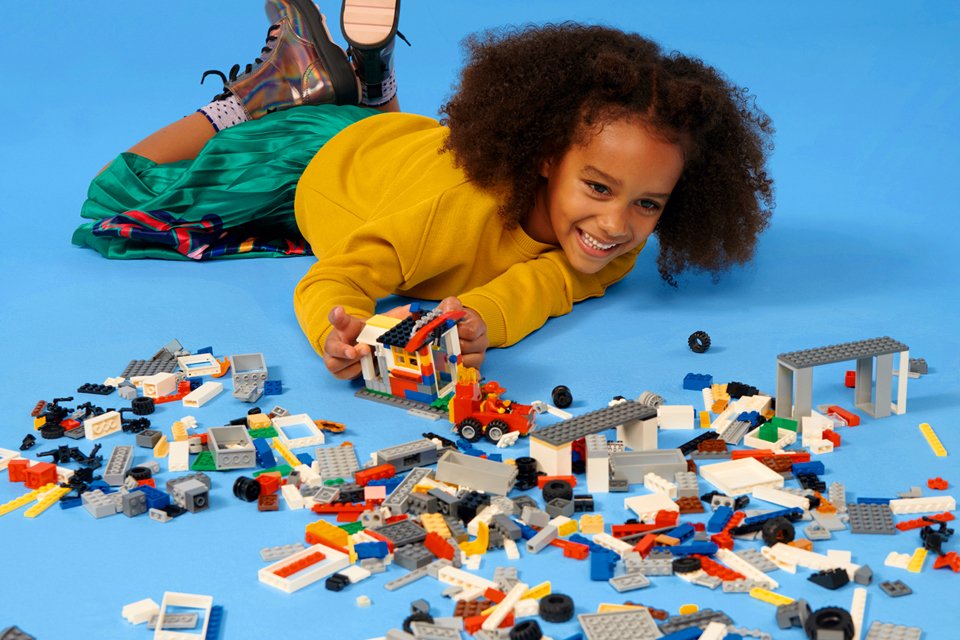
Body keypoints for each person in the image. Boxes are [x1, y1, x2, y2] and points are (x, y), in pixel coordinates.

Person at [74, 0, 775, 381]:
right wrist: (337, 332)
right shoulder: (446, 221)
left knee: (385, 139)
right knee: (118, 199)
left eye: (647, 203)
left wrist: (476, 325)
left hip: (402, 146)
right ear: (543, 158)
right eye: (597, 186)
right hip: (309, 161)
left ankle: (363, 87)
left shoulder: (609, 240)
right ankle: (262, 96)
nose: (617, 223)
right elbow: (337, 277)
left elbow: (543, 288)